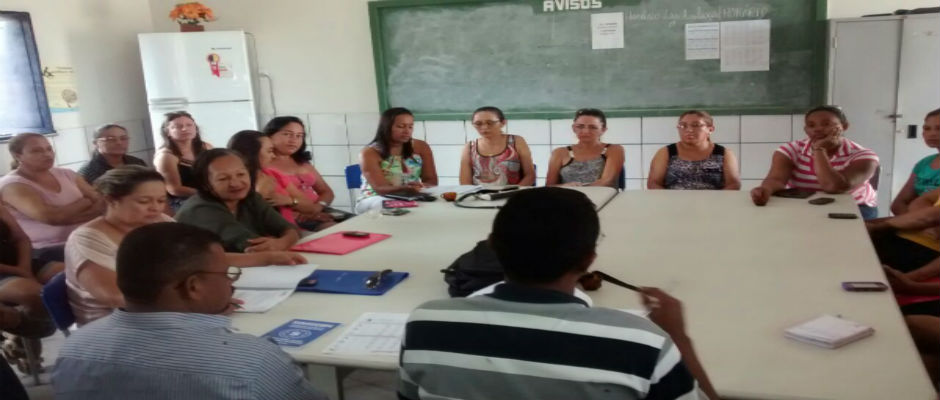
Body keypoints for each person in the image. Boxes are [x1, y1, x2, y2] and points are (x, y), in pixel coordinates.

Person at [398, 187, 718, 400]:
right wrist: (678, 337)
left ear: (493, 246)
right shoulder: (641, 344)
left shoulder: (425, 324)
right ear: (588, 260)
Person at [53, 222, 327, 399]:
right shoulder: (251, 360)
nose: (231, 283)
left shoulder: (74, 348)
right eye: (226, 274)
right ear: (193, 286)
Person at [65, 166, 305, 327]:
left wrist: (269, 257)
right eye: (144, 201)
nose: (155, 208)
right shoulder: (88, 238)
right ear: (111, 201)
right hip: (119, 324)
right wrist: (195, 306)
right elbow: (113, 296)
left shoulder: (159, 222)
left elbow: (202, 258)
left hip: (173, 311)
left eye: (160, 200)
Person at [750, 106, 880, 219]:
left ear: (844, 126)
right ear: (805, 129)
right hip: (804, 205)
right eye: (811, 125)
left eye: (826, 124)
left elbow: (833, 187)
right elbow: (776, 179)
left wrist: (819, 149)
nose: (817, 129)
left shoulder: (863, 155)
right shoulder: (791, 150)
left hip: (856, 207)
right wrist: (765, 189)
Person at [0, 133, 103, 263]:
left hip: (86, 236)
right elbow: (53, 218)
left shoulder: (67, 174)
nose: (47, 154)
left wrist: (73, 213)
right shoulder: (12, 185)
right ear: (17, 155)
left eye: (49, 149)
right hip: (45, 249)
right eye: (37, 151)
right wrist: (85, 201)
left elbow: (101, 201)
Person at [176, 149, 300, 252]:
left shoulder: (250, 198)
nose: (235, 183)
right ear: (205, 184)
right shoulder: (201, 210)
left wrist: (282, 242)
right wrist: (281, 242)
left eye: (241, 174)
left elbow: (290, 229)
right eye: (223, 178)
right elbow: (252, 248)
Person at [228, 130, 336, 231]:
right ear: (251, 154)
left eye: (299, 136)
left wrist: (289, 200)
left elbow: (310, 207)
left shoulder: (273, 174)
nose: (273, 156)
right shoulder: (234, 184)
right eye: (269, 151)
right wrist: (261, 193)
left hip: (291, 231)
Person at [357, 107, 438, 213]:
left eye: (410, 127)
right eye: (401, 126)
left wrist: (422, 186)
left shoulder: (421, 146)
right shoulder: (369, 152)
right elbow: (380, 188)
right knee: (400, 209)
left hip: (411, 196)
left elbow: (431, 180)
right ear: (386, 127)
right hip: (375, 198)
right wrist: (405, 188)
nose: (407, 131)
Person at [647, 110, 741, 190]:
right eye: (683, 125)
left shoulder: (724, 154)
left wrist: (715, 203)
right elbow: (653, 183)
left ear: (710, 129)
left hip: (712, 206)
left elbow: (733, 184)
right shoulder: (666, 152)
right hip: (673, 206)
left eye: (696, 125)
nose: (689, 130)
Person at [262, 116, 337, 209]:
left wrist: (318, 207)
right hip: (288, 218)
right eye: (287, 134)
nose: (294, 140)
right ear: (270, 135)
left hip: (319, 212)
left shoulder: (302, 162)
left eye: (299, 136)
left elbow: (327, 192)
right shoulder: (263, 165)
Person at [545, 108, 625, 188]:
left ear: (603, 130)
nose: (586, 131)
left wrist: (576, 189)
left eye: (593, 127)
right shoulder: (559, 152)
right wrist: (564, 186)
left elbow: (606, 182)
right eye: (580, 126)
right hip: (566, 198)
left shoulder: (613, 149)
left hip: (602, 197)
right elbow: (549, 186)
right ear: (573, 128)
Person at [459, 106, 536, 186]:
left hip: (514, 195)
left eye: (490, 123)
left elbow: (530, 176)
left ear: (503, 123)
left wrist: (513, 194)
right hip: (480, 196)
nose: (484, 127)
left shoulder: (516, 141)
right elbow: (465, 182)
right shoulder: (469, 147)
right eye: (478, 124)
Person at [153, 111, 212, 211]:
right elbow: (174, 189)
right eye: (178, 126)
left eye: (189, 125)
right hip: (182, 200)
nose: (185, 129)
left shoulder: (205, 147)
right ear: (168, 132)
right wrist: (208, 194)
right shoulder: (166, 156)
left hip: (208, 194)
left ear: (195, 129)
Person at [891, 108, 940, 215]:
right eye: (927, 128)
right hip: (916, 223)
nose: (932, 134)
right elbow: (898, 204)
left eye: (939, 128)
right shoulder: (924, 163)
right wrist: (912, 222)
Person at [77, 124, 147, 184]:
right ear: (96, 143)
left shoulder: (137, 162)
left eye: (123, 138)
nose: (119, 143)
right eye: (111, 139)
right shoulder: (88, 171)